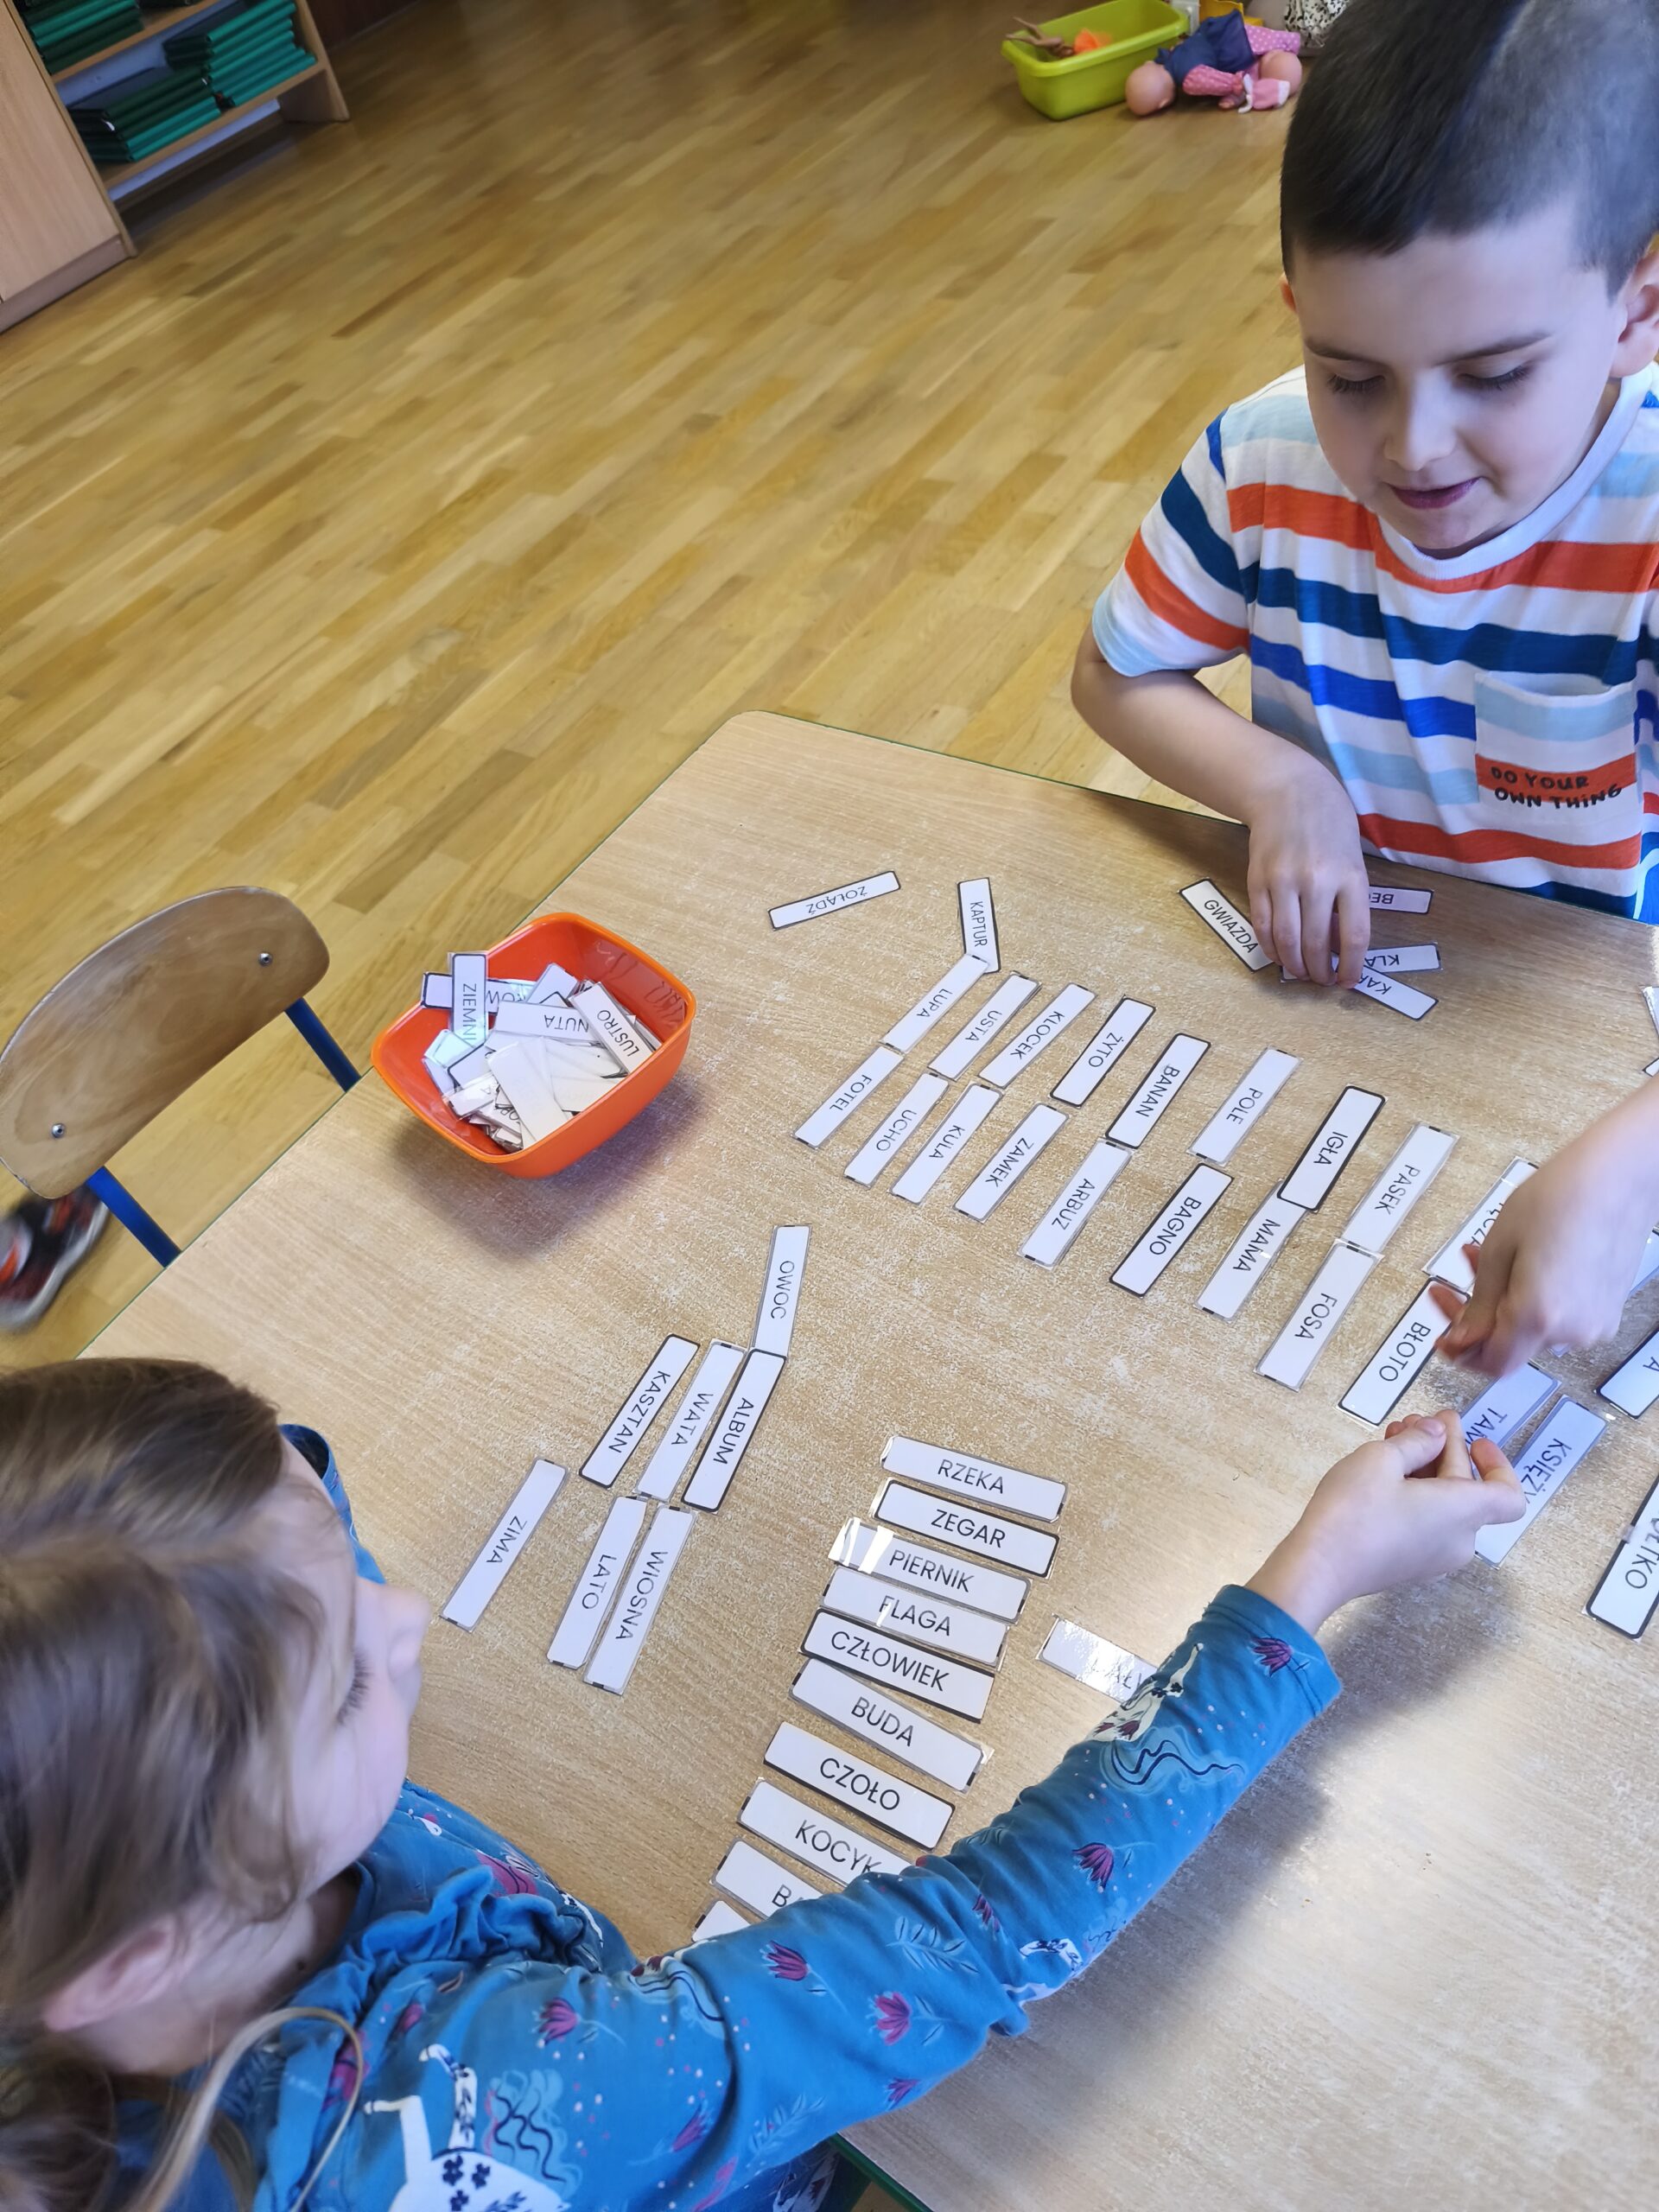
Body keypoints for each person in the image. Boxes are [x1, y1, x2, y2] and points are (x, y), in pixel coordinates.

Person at [0, 1360, 1523, 2212]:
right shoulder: (509, 2091)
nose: (405, 1619)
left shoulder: (80, 1886)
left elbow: (225, 1580)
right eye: (348, 1677)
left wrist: (259, 1540)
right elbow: (977, 1934)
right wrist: (1314, 1578)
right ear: (143, 1941)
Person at [1072, 0, 1659, 987]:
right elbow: (1112, 672)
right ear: (1299, 312)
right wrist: (1280, 785)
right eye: (1349, 377)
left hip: (1573, 1001)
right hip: (1336, 987)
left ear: (1636, 315)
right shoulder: (1259, 460)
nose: (1414, 448)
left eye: (1493, 375)